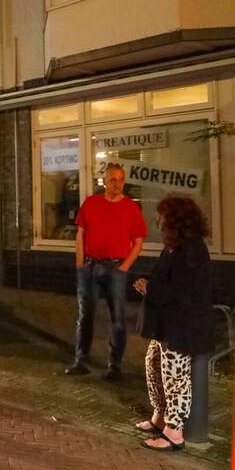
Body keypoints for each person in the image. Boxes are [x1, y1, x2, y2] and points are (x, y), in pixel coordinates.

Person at [133, 196, 213, 452]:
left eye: (162, 215)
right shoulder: (174, 245)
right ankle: (161, 414)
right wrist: (149, 282)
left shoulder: (190, 248)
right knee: (154, 364)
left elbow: (179, 289)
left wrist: (150, 288)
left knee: (176, 375)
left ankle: (174, 432)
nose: (157, 220)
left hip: (181, 324)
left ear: (175, 219)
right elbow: (166, 278)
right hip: (167, 322)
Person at [66, 163, 146, 380]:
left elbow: (138, 243)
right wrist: (80, 265)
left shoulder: (131, 208)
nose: (117, 184)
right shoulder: (91, 204)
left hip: (116, 268)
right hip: (90, 267)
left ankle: (115, 365)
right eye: (113, 180)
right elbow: (80, 235)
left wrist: (123, 268)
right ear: (104, 182)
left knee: (117, 317)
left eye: (121, 180)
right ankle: (81, 360)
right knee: (85, 316)